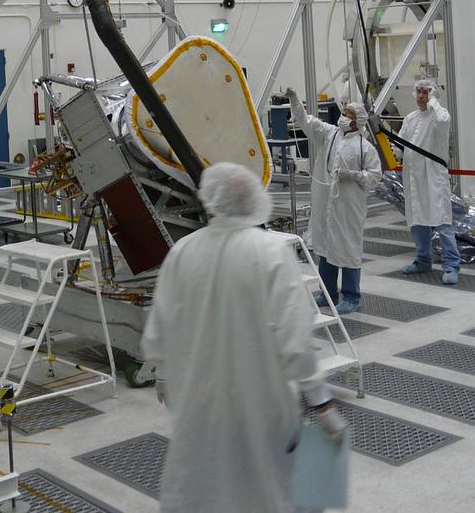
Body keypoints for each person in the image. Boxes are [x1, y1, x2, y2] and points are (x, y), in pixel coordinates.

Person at [141, 162, 341, 513]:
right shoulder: (270, 252)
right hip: (262, 405)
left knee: (204, 493)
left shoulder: (182, 251)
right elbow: (295, 340)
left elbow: (157, 331)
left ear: (210, 201)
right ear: (254, 200)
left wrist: (165, 375)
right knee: (267, 494)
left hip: (199, 405)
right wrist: (321, 402)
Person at [285, 90, 382, 314]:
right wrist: (294, 100)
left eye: (350, 113)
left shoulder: (364, 147)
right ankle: (327, 292)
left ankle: (351, 296)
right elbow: (305, 121)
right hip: (325, 202)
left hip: (348, 207)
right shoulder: (329, 134)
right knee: (325, 246)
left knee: (347, 248)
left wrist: (355, 175)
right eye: (345, 111)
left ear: (358, 122)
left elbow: (375, 176)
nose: (344, 116)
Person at [398, 78, 460, 284]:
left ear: (433, 94)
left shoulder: (439, 116)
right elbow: (400, 143)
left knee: (441, 219)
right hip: (413, 177)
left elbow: (442, 121)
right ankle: (422, 260)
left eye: (426, 92)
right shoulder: (410, 118)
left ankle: (451, 265)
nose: (421, 96)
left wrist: (433, 100)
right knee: (417, 218)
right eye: (419, 92)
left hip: (433, 176)